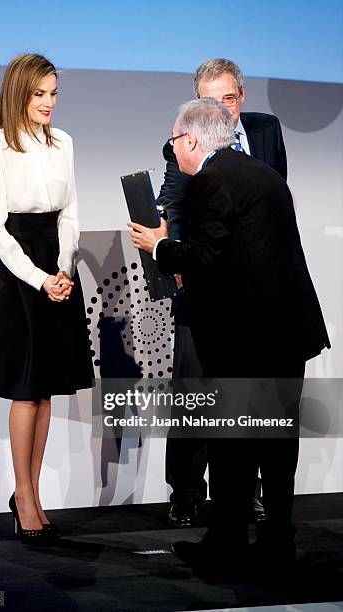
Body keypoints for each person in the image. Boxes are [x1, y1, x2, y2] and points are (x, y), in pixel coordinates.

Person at [128, 98, 330, 569]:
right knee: (277, 446)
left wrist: (160, 246)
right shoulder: (264, 175)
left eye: (173, 141)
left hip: (246, 337)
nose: (172, 151)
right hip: (287, 331)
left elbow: (205, 259)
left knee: (231, 444)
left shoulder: (210, 181)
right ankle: (277, 540)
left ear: (191, 140)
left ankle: (227, 543)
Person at [0, 54, 93, 544]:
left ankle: (32, 496)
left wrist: (63, 266)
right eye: (40, 94)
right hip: (15, 270)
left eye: (54, 94)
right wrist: (39, 277)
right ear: (19, 93)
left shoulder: (65, 143)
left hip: (56, 263)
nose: (49, 103)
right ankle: (23, 495)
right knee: (24, 388)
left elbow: (70, 212)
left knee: (44, 390)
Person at [158, 58, 287, 528]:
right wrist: (171, 256)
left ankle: (244, 496)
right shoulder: (183, 142)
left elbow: (277, 197)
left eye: (228, 99)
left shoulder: (267, 132)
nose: (222, 110)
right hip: (202, 279)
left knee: (252, 400)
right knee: (195, 390)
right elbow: (173, 202)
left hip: (257, 293)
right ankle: (188, 492)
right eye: (210, 102)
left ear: (242, 98)